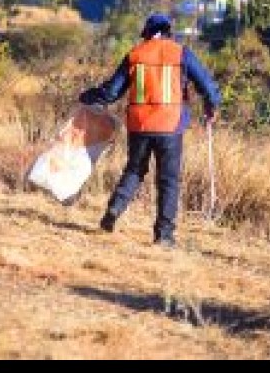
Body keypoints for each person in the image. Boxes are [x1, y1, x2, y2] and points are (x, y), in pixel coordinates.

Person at [78, 13, 221, 248]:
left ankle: (115, 208)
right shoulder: (181, 53)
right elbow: (206, 84)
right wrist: (211, 105)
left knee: (135, 170)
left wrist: (88, 96)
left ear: (147, 33)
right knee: (168, 180)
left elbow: (111, 92)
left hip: (140, 125)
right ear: (168, 32)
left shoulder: (135, 54)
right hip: (170, 125)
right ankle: (164, 236)